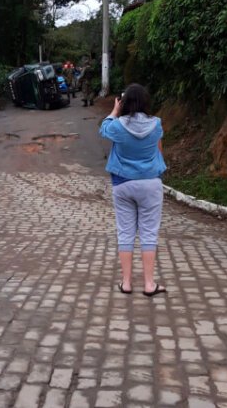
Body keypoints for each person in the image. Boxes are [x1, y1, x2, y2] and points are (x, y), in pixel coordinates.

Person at [100, 84, 168, 297]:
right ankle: (149, 284)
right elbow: (159, 149)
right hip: (150, 183)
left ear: (124, 102)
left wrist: (114, 110)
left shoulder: (118, 126)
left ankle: (127, 283)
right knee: (149, 234)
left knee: (125, 233)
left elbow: (103, 129)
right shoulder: (156, 124)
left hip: (122, 183)